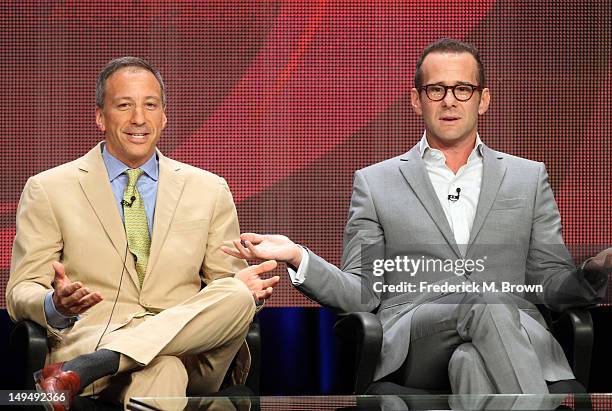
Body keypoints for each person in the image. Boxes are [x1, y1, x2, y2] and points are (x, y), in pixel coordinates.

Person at [223, 38, 611, 394]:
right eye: (436, 89)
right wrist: (297, 256)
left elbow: (549, 281)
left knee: (471, 365)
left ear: (483, 99)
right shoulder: (376, 182)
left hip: (515, 334)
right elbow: (362, 292)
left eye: (463, 89)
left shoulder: (528, 177)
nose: (449, 101)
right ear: (416, 99)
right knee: (483, 299)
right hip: (418, 338)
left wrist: (592, 272)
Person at [6, 57, 280, 410]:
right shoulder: (49, 188)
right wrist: (55, 306)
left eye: (150, 105)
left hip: (192, 352)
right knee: (163, 369)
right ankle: (104, 360)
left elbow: (222, 286)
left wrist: (250, 293)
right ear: (100, 117)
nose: (139, 118)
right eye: (124, 106)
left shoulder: (209, 189)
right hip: (101, 337)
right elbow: (20, 291)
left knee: (237, 294)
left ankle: (90, 366)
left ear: (164, 116)